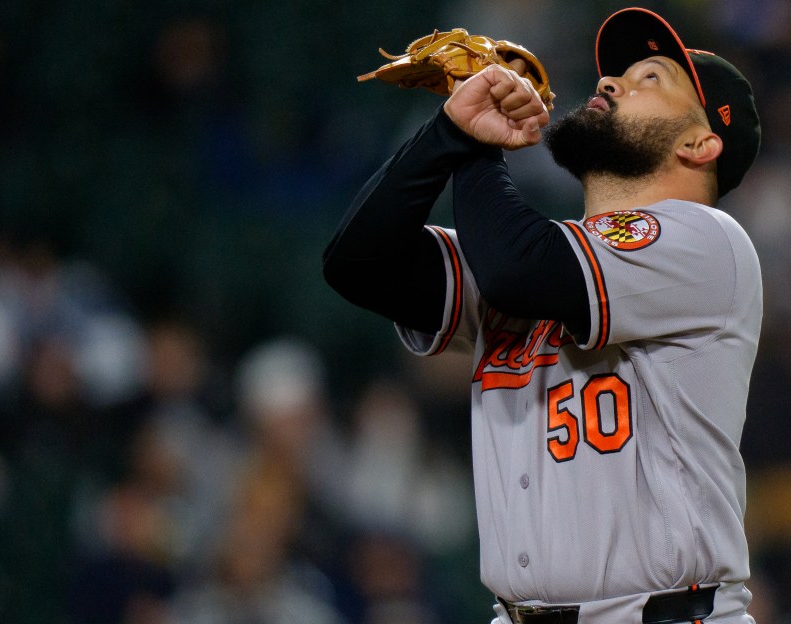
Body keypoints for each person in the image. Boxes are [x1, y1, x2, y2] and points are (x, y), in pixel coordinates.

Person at [323, 7, 762, 623]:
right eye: (616, 74)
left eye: (650, 78)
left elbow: (517, 271)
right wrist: (447, 134)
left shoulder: (706, 241)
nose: (609, 82)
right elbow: (359, 264)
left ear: (699, 143)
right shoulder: (551, 257)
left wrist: (478, 143)